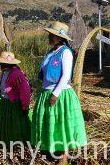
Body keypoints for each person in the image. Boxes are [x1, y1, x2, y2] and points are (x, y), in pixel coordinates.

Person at [31, 21, 87, 165]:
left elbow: (66, 76)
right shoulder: (51, 52)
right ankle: (53, 149)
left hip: (60, 94)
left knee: (61, 123)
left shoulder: (66, 52)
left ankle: (64, 156)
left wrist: (55, 93)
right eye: (50, 34)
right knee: (51, 122)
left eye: (53, 35)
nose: (49, 37)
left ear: (60, 38)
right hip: (46, 91)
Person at [0, 51, 32, 146]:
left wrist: (25, 106)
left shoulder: (16, 73)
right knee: (3, 123)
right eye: (1, 63)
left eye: (3, 63)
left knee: (15, 125)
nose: (1, 65)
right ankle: (2, 142)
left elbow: (25, 90)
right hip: (4, 101)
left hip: (14, 103)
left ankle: (15, 144)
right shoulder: (5, 72)